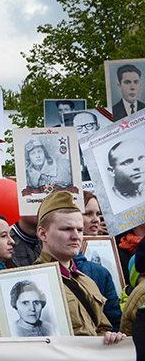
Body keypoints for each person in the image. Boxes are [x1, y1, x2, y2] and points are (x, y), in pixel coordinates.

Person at [33, 190, 125, 342]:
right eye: (67, 229)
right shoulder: (33, 283)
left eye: (80, 229)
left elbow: (103, 328)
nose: (76, 236)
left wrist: (110, 337)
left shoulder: (87, 281)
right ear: (43, 234)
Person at [75, 191, 122, 330]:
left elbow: (114, 319)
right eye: (88, 214)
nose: (96, 219)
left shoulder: (111, 247)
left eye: (98, 214)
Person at [107, 139, 145, 206]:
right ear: (111, 171)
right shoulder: (111, 200)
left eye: (141, 159)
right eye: (127, 162)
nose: (138, 166)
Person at [72, 110, 100, 180]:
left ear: (98, 126)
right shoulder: (72, 154)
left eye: (89, 126)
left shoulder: (107, 148)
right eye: (79, 128)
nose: (84, 131)